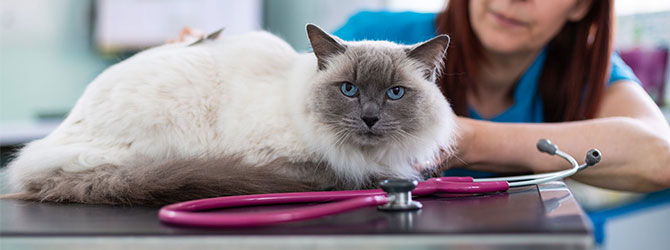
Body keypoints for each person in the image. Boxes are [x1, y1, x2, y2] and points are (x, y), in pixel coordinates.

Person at [334, 0, 670, 192]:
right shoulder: (371, 41)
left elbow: (659, 157)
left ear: (581, 6)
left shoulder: (582, 68)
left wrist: (468, 140)